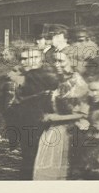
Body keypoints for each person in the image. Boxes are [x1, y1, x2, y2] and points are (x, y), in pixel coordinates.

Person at [32, 51, 89, 180]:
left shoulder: (78, 83)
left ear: (72, 62)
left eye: (61, 61)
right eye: (55, 61)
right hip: (51, 130)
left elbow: (83, 113)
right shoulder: (58, 80)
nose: (57, 64)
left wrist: (54, 118)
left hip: (70, 132)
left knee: (62, 171)